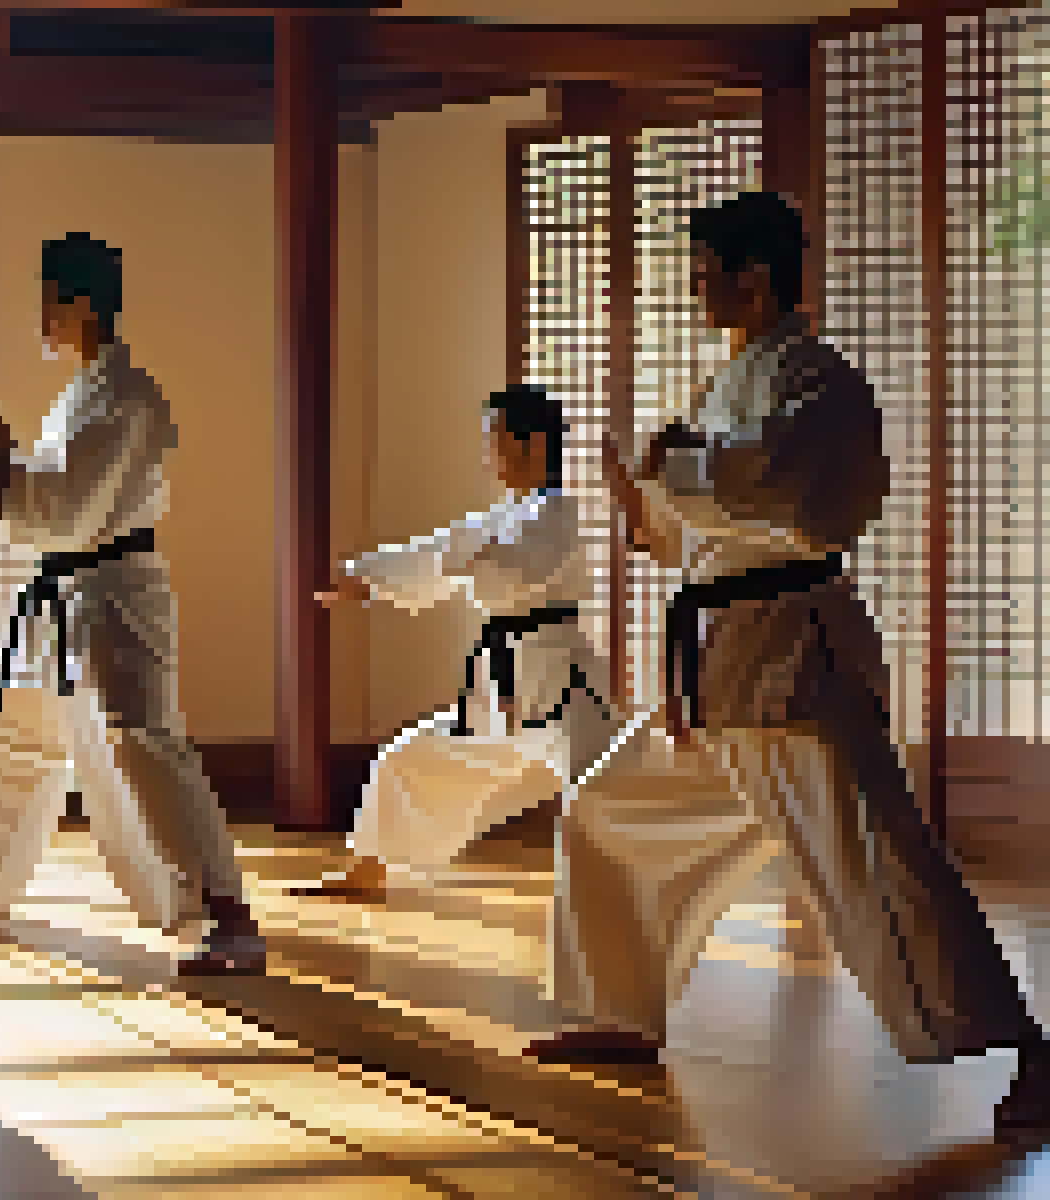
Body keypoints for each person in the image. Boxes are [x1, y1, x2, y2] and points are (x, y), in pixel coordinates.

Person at [549, 191, 1050, 1136]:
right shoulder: (724, 383)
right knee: (607, 808)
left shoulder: (821, 381)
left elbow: (796, 494)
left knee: (879, 858)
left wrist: (682, 466)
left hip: (790, 655)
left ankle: (1028, 1048)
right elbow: (685, 530)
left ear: (758, 275)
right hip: (714, 660)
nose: (697, 291)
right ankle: (622, 1007)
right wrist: (640, 498)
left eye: (708, 274)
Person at [0, 234, 262, 975]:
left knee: (144, 745)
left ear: (78, 304)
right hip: (63, 592)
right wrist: (0, 454)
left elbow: (73, 509)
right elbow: (54, 495)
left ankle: (228, 915)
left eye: (48, 304)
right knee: (5, 736)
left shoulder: (128, 396)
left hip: (115, 591)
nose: (40, 320)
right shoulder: (83, 391)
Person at [300, 384, 618, 900]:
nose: (490, 456)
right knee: (409, 757)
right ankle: (368, 871)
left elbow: (516, 571)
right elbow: (439, 550)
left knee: (603, 787)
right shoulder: (505, 516)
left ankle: (613, 892)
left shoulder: (561, 512)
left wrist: (468, 556)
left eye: (496, 441)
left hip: (560, 681)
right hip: (501, 683)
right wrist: (365, 579)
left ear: (533, 444)